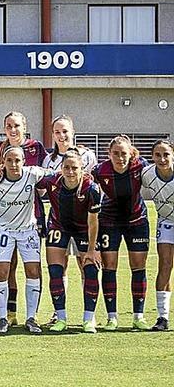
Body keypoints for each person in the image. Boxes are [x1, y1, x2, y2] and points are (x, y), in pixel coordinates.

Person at [0, 146, 52, 334]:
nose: (13, 164)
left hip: (27, 230)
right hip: (3, 231)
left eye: (17, 160)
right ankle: (3, 318)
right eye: (9, 160)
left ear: (24, 161)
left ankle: (31, 318)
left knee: (33, 271)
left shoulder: (32, 174)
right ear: (3, 162)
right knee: (2, 271)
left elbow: (57, 174)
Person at [0, 111, 46, 325]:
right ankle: (9, 314)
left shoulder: (36, 148)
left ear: (24, 127)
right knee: (6, 267)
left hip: (31, 217)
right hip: (4, 219)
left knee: (33, 267)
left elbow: (50, 173)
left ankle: (32, 316)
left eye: (17, 126)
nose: (13, 130)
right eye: (9, 126)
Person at [40, 114, 97, 326]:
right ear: (52, 134)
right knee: (57, 268)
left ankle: (89, 317)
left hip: (84, 221)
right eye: (57, 132)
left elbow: (94, 184)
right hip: (59, 221)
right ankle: (59, 314)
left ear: (73, 132)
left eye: (65, 131)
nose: (61, 135)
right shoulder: (49, 160)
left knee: (87, 265)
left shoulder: (88, 156)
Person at [92, 136, 151, 331]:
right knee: (109, 267)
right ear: (109, 154)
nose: (120, 157)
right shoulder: (101, 170)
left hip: (137, 221)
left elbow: (160, 171)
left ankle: (138, 316)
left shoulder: (140, 166)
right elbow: (81, 178)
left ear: (130, 153)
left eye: (123, 153)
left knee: (138, 266)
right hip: (110, 222)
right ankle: (112, 317)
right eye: (115, 153)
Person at [141, 140, 174, 331]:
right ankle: (163, 317)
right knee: (165, 264)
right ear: (152, 157)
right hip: (166, 220)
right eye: (158, 155)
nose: (162, 159)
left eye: (166, 154)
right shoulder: (147, 174)